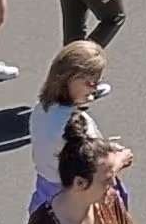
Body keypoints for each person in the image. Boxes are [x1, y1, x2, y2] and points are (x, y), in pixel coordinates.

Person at [29, 41, 109, 214]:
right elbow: (100, 163)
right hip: (74, 200)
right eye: (90, 84)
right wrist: (121, 158)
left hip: (44, 191)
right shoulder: (78, 123)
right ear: (68, 79)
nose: (94, 90)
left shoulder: (40, 110)